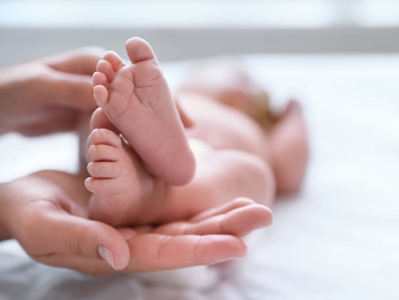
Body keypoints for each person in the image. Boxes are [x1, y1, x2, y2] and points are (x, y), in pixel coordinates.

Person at [0, 45, 278, 276]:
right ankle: (150, 188)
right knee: (254, 174)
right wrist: (293, 115)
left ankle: (122, 152)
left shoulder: (190, 102)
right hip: (201, 157)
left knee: (94, 150)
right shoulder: (250, 126)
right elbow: (291, 164)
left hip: (111, 166)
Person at [82, 37, 308, 242]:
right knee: (255, 176)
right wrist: (294, 113)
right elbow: (290, 170)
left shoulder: (257, 127)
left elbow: (289, 169)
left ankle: (135, 186)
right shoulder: (178, 106)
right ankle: (127, 169)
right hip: (164, 143)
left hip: (199, 163)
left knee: (253, 175)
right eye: (239, 78)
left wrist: (290, 115)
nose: (245, 88)